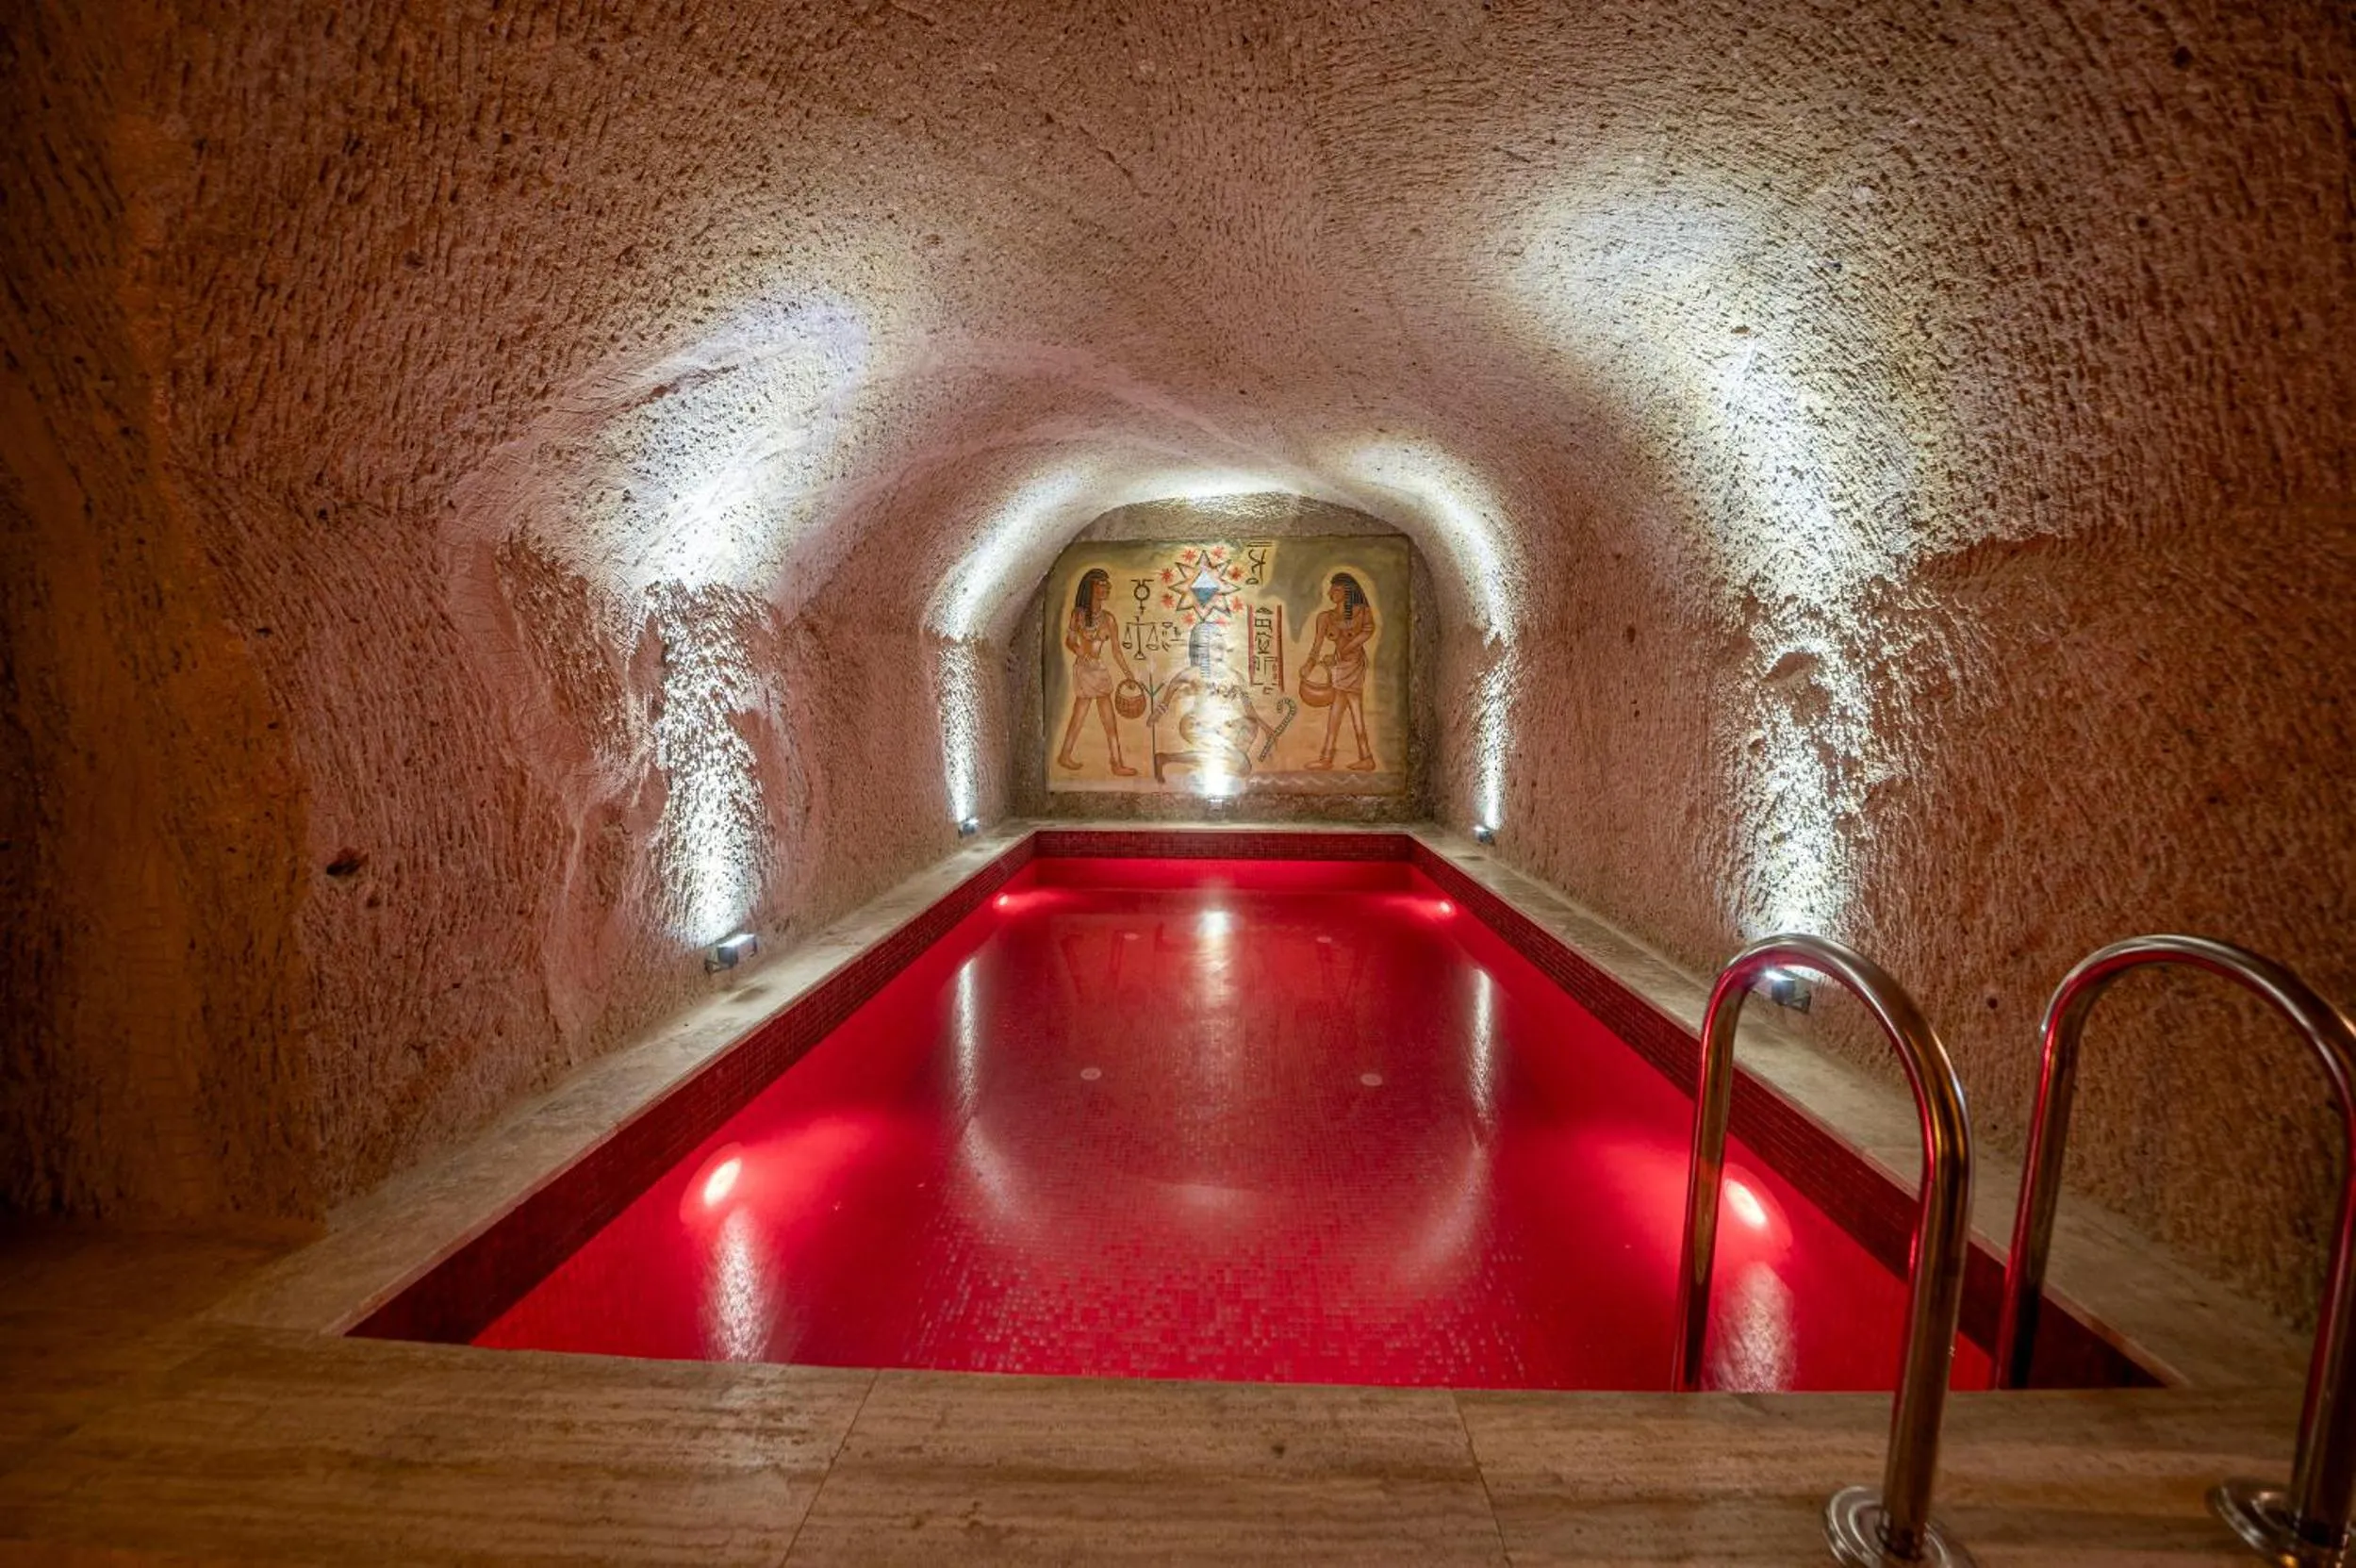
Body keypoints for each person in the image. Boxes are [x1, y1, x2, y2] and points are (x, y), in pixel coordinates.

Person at [1056, 568, 1138, 774]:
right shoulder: (1078, 615)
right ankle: (1068, 755)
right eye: (1101, 584)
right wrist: (1079, 651)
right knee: (1080, 715)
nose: (1106, 588)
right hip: (1084, 670)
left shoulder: (1108, 619)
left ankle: (1115, 762)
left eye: (1106, 584)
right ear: (1090, 587)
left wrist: (1129, 674)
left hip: (1098, 670)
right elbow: (1070, 640)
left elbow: (1117, 651)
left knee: (1107, 720)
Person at [1305, 571, 1378, 770]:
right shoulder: (1325, 617)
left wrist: (1342, 652)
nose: (1330, 593)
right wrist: (1309, 664)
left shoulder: (1362, 612)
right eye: (1331, 588)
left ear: (1347, 591)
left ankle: (1332, 757)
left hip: (1353, 665)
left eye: (1335, 589)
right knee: (1342, 711)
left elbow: (1367, 631)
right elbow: (1317, 646)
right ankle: (1361, 757)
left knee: (1346, 710)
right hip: (1339, 667)